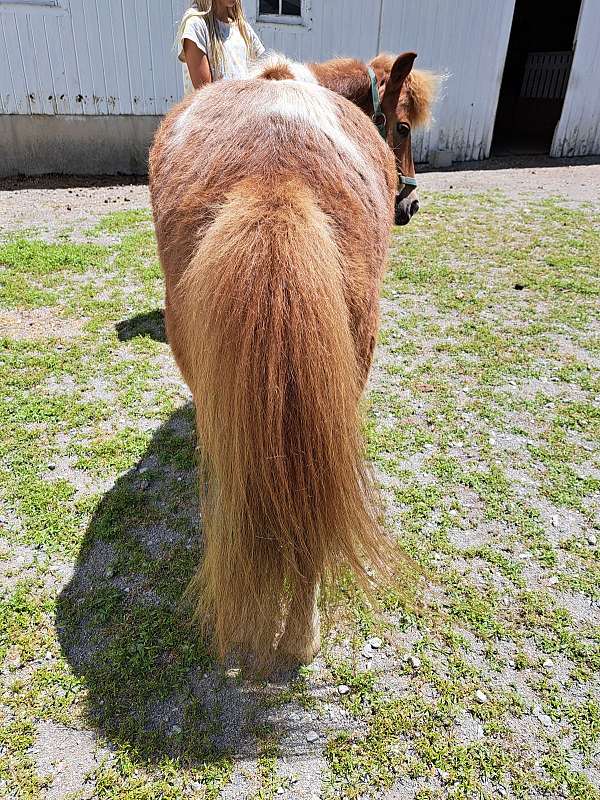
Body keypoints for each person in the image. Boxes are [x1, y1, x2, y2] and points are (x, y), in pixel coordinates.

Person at [177, 0, 265, 94]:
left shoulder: (242, 28)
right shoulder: (196, 26)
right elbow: (206, 96)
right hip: (217, 108)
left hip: (243, 107)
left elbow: (260, 78)